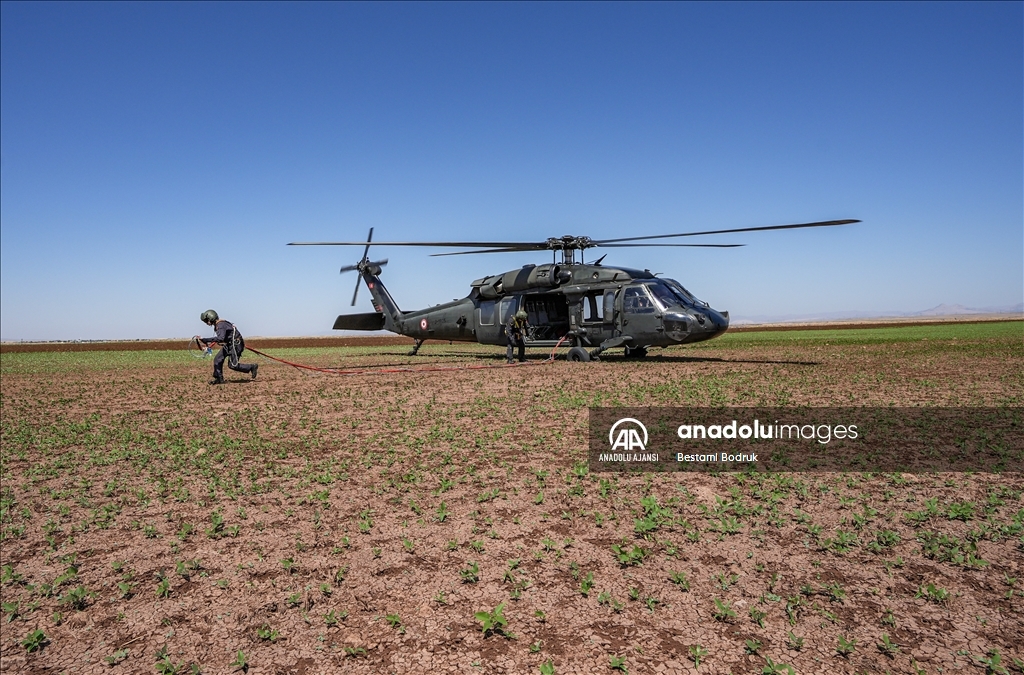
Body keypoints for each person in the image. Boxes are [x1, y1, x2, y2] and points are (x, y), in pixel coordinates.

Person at [196, 310, 258, 385]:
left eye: (206, 321)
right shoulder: (219, 324)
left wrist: (205, 340)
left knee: (232, 365)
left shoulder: (220, 325)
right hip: (230, 344)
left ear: (210, 318)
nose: (206, 323)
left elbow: (220, 338)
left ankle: (251, 367)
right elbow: (221, 339)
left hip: (235, 345)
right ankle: (219, 378)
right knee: (218, 359)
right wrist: (207, 345)